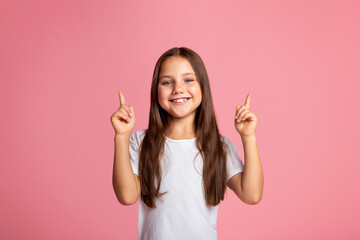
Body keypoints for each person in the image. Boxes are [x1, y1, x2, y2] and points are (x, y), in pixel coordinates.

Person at [110, 47, 263, 240]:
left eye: (188, 80)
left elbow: (252, 195)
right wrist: (121, 136)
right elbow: (127, 196)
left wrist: (248, 138)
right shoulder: (141, 142)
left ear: (203, 86)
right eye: (167, 82)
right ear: (155, 90)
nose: (178, 89)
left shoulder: (219, 146)